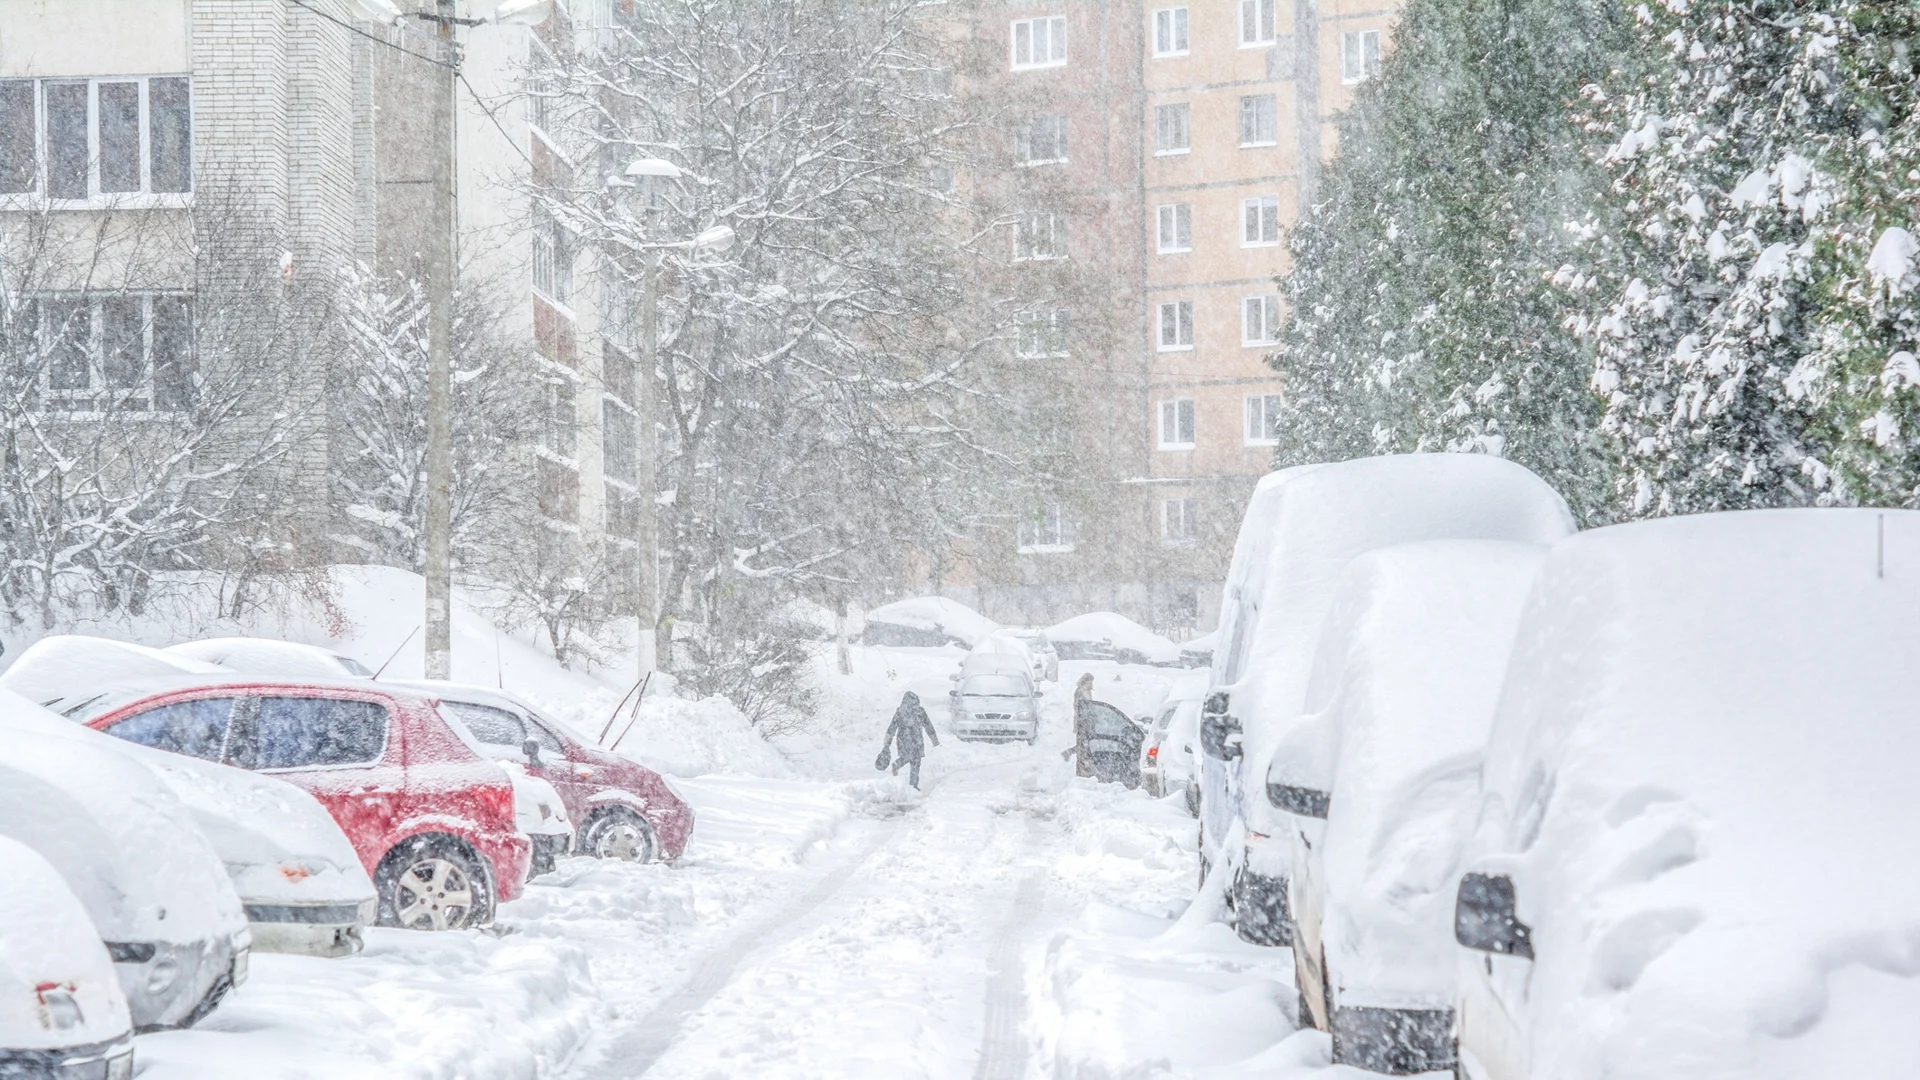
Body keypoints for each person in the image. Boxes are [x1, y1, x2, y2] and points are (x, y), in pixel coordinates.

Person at [881, 691, 940, 789]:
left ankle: (898, 765)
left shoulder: (900, 712)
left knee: (907, 757)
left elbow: (892, 728)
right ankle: (913, 784)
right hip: (917, 740)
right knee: (916, 761)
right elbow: (929, 727)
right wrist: (935, 742)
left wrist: (887, 743)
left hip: (903, 740)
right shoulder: (920, 711)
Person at [1071, 673, 1096, 778]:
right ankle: (1081, 771)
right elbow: (1079, 707)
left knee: (1085, 746)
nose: (1091, 684)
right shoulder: (1080, 692)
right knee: (1083, 746)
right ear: (1085, 681)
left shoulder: (1087, 692)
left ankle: (1085, 769)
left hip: (1087, 723)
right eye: (1090, 681)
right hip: (1082, 723)